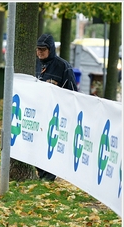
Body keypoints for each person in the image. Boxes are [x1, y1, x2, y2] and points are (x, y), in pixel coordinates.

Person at [35, 33, 78, 181]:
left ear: (51, 49)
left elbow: (72, 92)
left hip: (55, 115)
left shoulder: (63, 66)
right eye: (38, 49)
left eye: (43, 49)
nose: (39, 52)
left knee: (50, 144)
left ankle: (49, 177)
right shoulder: (33, 63)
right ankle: (40, 173)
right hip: (36, 113)